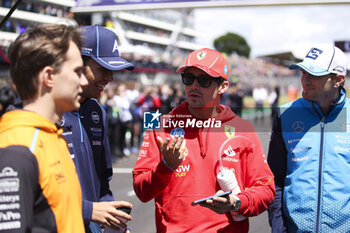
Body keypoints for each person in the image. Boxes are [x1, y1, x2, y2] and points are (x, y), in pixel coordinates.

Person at [132, 48, 275, 233]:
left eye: (204, 80)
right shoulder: (160, 126)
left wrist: (236, 202)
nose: (194, 86)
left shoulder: (243, 130)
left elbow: (266, 188)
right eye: (188, 78)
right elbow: (141, 191)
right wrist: (166, 166)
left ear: (222, 86)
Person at [0, 24, 87, 232]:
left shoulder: (52, 135)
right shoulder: (17, 148)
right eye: (77, 72)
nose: (84, 81)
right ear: (48, 76)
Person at [267, 44, 350, 233]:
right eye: (303, 73)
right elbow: (274, 179)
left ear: (338, 80)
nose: (305, 80)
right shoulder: (285, 114)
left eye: (315, 75)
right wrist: (279, 228)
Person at [60, 25, 133, 233]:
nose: (110, 78)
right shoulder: (47, 110)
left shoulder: (97, 111)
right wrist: (87, 210)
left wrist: (113, 224)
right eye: (103, 68)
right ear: (77, 64)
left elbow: (102, 181)